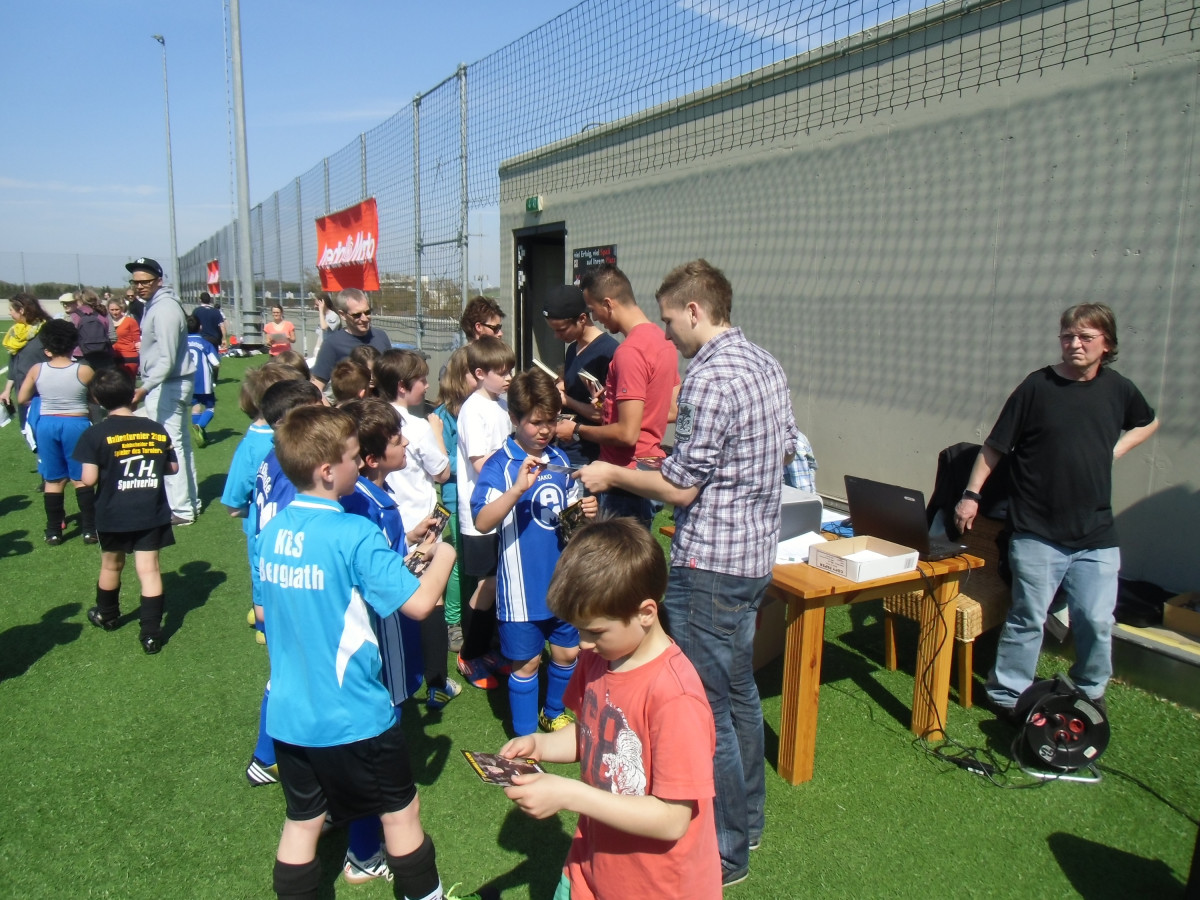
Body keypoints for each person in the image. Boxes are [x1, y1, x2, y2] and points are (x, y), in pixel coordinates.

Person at [578, 259, 799, 886]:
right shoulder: (765, 364)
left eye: (672, 320)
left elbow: (679, 489)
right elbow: (780, 447)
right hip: (754, 558)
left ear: (695, 311)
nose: (669, 334)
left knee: (708, 709)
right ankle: (749, 821)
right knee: (739, 690)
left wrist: (614, 473)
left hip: (712, 566)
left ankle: (727, 849)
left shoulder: (708, 376)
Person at [252, 405, 461, 900]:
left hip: (290, 713)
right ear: (328, 470)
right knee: (401, 814)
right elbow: (419, 604)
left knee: (302, 822)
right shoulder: (354, 532)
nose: (358, 464)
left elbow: (262, 611)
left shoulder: (272, 533)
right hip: (353, 712)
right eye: (351, 457)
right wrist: (445, 554)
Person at [954, 303, 1159, 719]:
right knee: (1028, 617)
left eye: (1085, 337)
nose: (1074, 344)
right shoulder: (1037, 387)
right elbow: (994, 446)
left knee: (1096, 620)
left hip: (1096, 533)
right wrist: (971, 494)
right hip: (1037, 530)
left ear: (1107, 344)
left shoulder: (1118, 389)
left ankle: (1089, 690)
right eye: (1068, 336)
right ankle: (1007, 695)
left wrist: (1116, 449)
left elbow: (1148, 421)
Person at [498, 517, 721, 900]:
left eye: (595, 631)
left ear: (645, 613)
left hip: (657, 887)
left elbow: (673, 818)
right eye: (578, 630)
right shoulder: (599, 658)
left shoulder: (676, 698)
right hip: (591, 866)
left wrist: (569, 795)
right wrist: (539, 745)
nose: (582, 644)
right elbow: (590, 732)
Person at [337, 398, 435, 884]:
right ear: (371, 458)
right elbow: (389, 588)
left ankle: (345, 821)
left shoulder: (361, 496)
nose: (407, 443)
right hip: (381, 638)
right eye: (398, 440)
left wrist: (409, 539)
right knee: (376, 743)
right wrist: (428, 559)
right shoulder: (372, 506)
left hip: (356, 643)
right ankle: (362, 851)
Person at [472, 369, 597, 736]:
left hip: (562, 583)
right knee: (526, 664)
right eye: (536, 422)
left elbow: (570, 522)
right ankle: (525, 737)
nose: (545, 430)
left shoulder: (558, 459)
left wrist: (586, 512)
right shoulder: (500, 465)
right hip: (522, 591)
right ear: (514, 418)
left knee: (567, 653)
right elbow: (482, 521)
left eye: (552, 421)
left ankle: (552, 711)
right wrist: (516, 490)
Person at [555, 264, 679, 527]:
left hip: (623, 474)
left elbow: (627, 434)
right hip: (648, 469)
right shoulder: (663, 341)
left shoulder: (629, 352)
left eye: (593, 309)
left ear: (608, 304)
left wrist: (576, 429)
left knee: (616, 551)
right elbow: (669, 410)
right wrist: (612, 403)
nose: (595, 318)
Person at [376, 349, 460, 711]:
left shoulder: (369, 418)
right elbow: (442, 472)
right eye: (422, 380)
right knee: (430, 600)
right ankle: (436, 683)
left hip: (386, 526)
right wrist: (437, 433)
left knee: (391, 600)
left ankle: (394, 673)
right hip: (420, 527)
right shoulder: (418, 426)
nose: (427, 385)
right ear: (402, 386)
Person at [73, 369, 178, 655]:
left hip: (113, 512)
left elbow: (89, 479)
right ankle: (151, 634)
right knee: (150, 570)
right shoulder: (155, 429)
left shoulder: (95, 433)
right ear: (133, 394)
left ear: (97, 399)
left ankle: (107, 614)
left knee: (111, 565)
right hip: (150, 510)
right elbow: (172, 467)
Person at [455, 336, 516, 689]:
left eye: (510, 371)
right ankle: (470, 653)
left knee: (499, 582)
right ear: (479, 373)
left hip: (502, 510)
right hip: (480, 516)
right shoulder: (473, 410)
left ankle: (492, 649)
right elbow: (481, 463)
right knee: (487, 584)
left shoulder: (501, 402)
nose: (508, 378)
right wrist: (520, 468)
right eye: (501, 372)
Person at [127, 257, 200, 526]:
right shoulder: (156, 305)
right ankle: (188, 503)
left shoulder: (165, 308)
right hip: (169, 382)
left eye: (145, 281)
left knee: (171, 446)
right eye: (135, 282)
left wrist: (143, 388)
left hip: (168, 383)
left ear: (159, 280)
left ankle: (181, 509)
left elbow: (167, 359)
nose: (139, 286)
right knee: (180, 446)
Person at [18, 319, 98, 545]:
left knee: (53, 479)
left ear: (47, 347)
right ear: (74, 344)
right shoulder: (84, 370)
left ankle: (53, 531)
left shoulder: (37, 369)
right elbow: (96, 398)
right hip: (76, 424)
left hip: (47, 424)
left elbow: (22, 398)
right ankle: (90, 529)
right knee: (82, 479)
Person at [429, 347, 476, 653]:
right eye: (476, 371)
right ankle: (453, 621)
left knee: (479, 561)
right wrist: (480, 458)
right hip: (455, 499)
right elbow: (442, 464)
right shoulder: (444, 416)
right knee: (459, 559)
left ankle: (475, 614)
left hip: (482, 497)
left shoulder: (488, 408)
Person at [542, 284, 617, 466]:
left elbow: (603, 415)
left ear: (582, 319)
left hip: (591, 457)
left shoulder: (609, 353)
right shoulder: (572, 350)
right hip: (566, 450)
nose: (556, 336)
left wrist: (566, 400)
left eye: (561, 329)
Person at [310, 288, 392, 390]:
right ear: (343, 315)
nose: (364, 318)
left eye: (367, 312)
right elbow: (317, 386)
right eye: (357, 315)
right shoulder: (332, 344)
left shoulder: (381, 336)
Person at [2, 294, 50, 431]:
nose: (9, 313)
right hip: (22, 392)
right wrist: (7, 390)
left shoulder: (46, 330)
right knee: (26, 431)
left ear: (22, 310)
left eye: (11, 310)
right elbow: (13, 362)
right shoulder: (16, 332)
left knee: (41, 432)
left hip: (42, 394)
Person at [187, 315, 220, 448]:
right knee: (210, 407)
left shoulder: (181, 343)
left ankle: (200, 435)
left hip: (188, 381)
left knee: (195, 406)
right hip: (204, 382)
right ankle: (199, 426)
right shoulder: (205, 343)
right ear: (200, 327)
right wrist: (214, 375)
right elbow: (216, 363)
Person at [108, 297, 141, 379]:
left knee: (127, 382)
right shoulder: (107, 322)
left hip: (128, 357)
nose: (114, 312)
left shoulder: (130, 321)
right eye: (112, 310)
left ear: (122, 309)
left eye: (117, 309)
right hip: (112, 357)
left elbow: (137, 340)